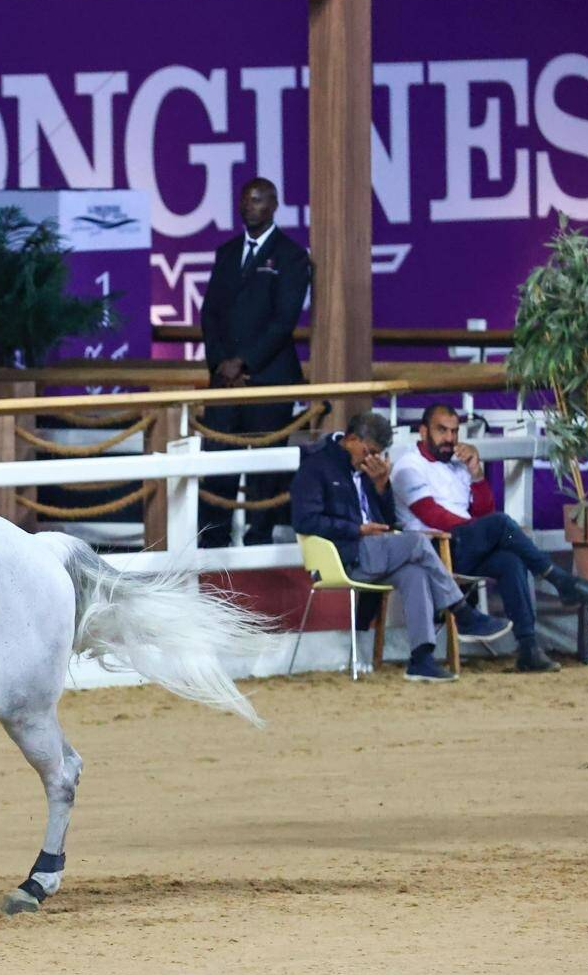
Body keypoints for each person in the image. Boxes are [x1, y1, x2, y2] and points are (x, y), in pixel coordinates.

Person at [291, 412, 511, 682]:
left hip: (375, 550)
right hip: (344, 553)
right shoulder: (317, 465)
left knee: (414, 574)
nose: (372, 459)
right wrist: (356, 529)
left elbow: (388, 521)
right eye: (369, 451)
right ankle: (462, 612)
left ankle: (421, 658)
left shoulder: (368, 470)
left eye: (379, 453)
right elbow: (304, 520)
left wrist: (382, 485)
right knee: (417, 541)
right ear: (350, 439)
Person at [391, 403, 588, 672]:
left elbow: (484, 510)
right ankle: (561, 581)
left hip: (462, 547)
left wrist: (477, 475)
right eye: (441, 430)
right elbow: (433, 515)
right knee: (501, 524)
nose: (449, 438)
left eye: (454, 431)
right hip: (432, 550)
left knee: (510, 561)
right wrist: (485, 528)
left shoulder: (457, 466)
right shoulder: (407, 467)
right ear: (423, 432)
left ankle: (528, 648)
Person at [198, 177, 312, 548]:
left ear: (274, 205)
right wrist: (220, 363)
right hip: (224, 380)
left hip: (268, 378)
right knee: (218, 462)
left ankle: (259, 540)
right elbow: (210, 313)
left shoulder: (292, 256)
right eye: (245, 199)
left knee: (265, 469)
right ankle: (214, 541)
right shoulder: (226, 252)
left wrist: (243, 362)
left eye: (258, 200)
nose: (249, 205)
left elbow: (284, 321)